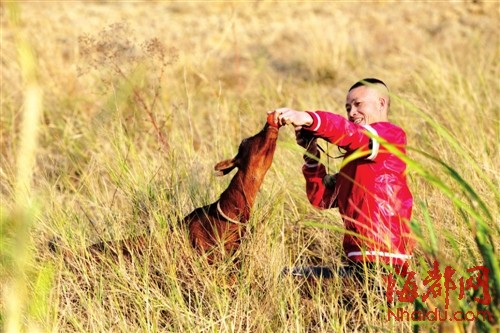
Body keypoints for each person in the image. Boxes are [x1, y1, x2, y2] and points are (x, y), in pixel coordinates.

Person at [272, 78, 414, 278]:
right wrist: (312, 155)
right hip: (359, 257)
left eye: (358, 104)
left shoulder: (391, 136)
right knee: (291, 276)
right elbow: (322, 199)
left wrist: (308, 118)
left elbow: (352, 135)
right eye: (348, 107)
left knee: (294, 279)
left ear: (381, 103)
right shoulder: (357, 156)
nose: (352, 112)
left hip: (384, 257)